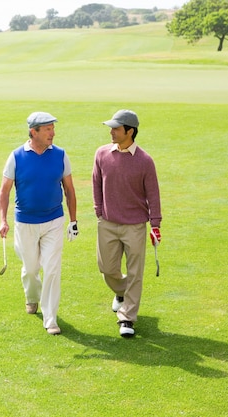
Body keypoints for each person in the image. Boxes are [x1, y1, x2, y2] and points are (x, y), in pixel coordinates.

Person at [0, 111, 78, 335]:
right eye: (48, 129)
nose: (53, 133)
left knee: (52, 269)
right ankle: (32, 296)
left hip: (54, 220)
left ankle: (50, 318)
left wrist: (73, 220)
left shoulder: (61, 155)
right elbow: (4, 191)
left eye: (53, 128)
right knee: (31, 269)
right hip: (25, 222)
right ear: (34, 132)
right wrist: (3, 220)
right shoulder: (16, 157)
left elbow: (70, 190)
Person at [92, 109, 162, 338]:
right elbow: (96, 183)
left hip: (135, 226)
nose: (111, 132)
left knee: (135, 272)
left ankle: (127, 318)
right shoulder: (102, 154)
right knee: (107, 268)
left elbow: (153, 194)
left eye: (116, 128)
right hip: (108, 223)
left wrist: (155, 224)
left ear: (129, 132)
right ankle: (121, 292)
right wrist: (99, 211)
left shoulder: (144, 161)